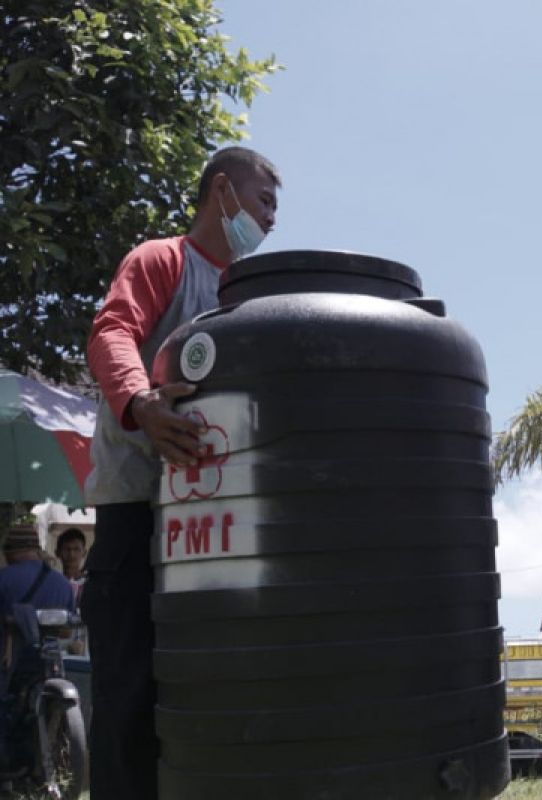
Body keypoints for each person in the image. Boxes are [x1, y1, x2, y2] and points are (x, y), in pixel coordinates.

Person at [82, 146, 280, 800]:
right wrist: (139, 404)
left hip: (212, 527)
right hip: (137, 514)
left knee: (202, 689)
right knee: (129, 696)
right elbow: (112, 332)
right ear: (221, 191)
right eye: (265, 201)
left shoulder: (243, 302)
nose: (271, 220)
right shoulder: (163, 260)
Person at [0, 526, 76, 772]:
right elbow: (66, 631)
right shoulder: (62, 583)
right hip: (51, 665)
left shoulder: (4, 579)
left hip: (12, 664)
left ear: (11, 552)